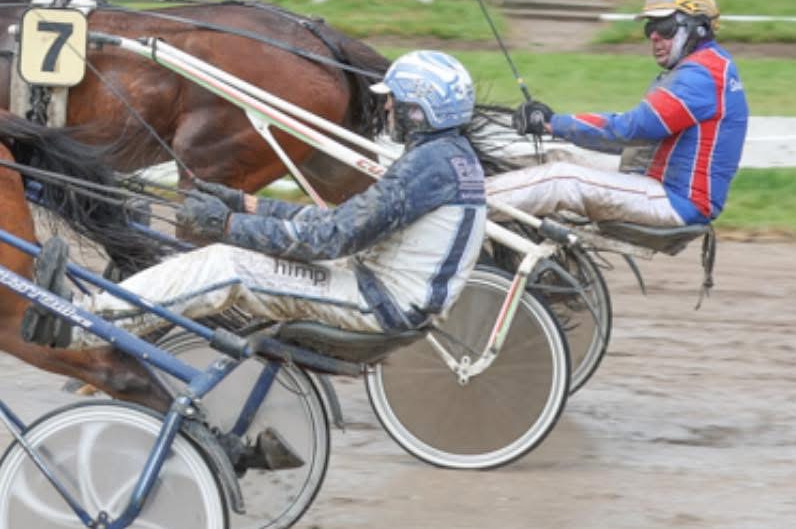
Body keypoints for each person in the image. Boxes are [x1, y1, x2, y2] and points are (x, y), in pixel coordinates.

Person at [72, 52, 487, 344]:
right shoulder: (445, 158)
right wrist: (245, 204)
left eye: (395, 99)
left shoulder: (427, 168)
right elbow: (343, 220)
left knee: (226, 265)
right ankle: (115, 305)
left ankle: (87, 320)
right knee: (232, 260)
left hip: (380, 301)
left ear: (419, 110)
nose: (389, 107)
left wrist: (228, 227)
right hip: (380, 286)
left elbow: (332, 238)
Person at [492, 0, 746, 227]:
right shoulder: (707, 65)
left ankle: (467, 206)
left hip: (675, 201)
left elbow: (631, 130)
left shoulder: (700, 76)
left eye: (665, 26)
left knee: (561, 179)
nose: (654, 36)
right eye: (650, 28)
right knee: (559, 158)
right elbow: (635, 137)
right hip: (658, 182)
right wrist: (557, 126)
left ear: (697, 26)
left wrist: (551, 123)